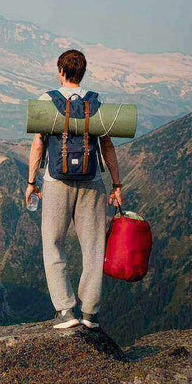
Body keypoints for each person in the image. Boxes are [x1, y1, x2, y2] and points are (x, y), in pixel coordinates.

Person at [25, 49, 123, 329]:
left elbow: (38, 144)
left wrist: (32, 182)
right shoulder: (95, 101)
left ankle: (66, 311)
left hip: (56, 183)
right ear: (82, 72)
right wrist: (116, 185)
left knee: (53, 244)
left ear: (60, 70)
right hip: (92, 184)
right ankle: (90, 312)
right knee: (93, 247)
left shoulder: (47, 100)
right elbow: (107, 146)